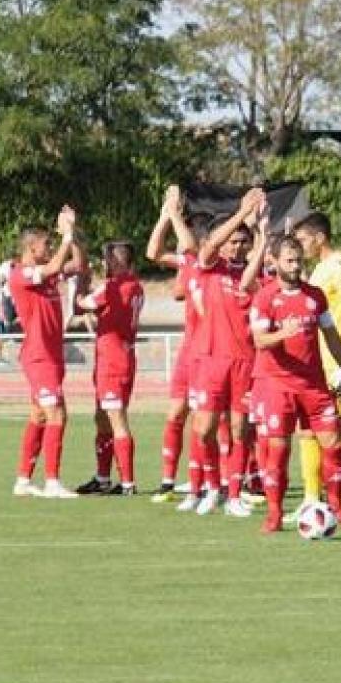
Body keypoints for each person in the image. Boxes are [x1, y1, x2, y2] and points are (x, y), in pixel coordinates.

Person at [250, 235, 341, 534]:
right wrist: (282, 334)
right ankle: (274, 513)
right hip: (277, 385)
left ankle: (338, 507)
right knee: (278, 450)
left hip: (314, 384)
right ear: (274, 261)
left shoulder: (315, 295)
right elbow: (260, 340)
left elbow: (330, 335)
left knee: (334, 442)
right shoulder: (265, 297)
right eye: (289, 260)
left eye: (298, 260)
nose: (295, 266)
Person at [182, 188, 268, 516]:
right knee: (203, 428)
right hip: (211, 359)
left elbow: (257, 280)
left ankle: (233, 495)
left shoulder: (253, 275)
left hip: (245, 361)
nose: (237, 246)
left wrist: (261, 232)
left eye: (243, 241)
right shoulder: (211, 267)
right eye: (233, 241)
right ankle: (212, 486)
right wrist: (241, 213)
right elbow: (210, 246)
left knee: (239, 430)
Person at [9, 205, 87, 499]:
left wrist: (72, 234)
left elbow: (78, 264)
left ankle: (23, 480)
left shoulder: (48, 274)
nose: (50, 247)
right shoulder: (22, 274)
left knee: (40, 416)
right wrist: (65, 236)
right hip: (39, 356)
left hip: (52, 356)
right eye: (46, 244)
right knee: (57, 415)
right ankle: (52, 482)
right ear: (31, 248)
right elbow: (54, 267)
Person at [292, 213, 341, 514]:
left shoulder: (340, 267)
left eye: (303, 239)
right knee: (307, 429)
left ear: (320, 238)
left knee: (340, 428)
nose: (300, 245)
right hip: (314, 362)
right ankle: (312, 499)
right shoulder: (320, 268)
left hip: (333, 362)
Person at [74, 241, 146, 496]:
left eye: (107, 260)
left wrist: (81, 280)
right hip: (118, 358)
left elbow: (79, 306)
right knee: (102, 418)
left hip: (113, 362)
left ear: (115, 262)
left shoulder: (114, 287)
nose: (105, 265)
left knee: (116, 420)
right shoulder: (136, 286)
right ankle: (103, 477)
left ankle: (127, 483)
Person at [144, 185, 200, 501]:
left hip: (210, 350)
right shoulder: (186, 261)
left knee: (208, 417)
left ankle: (208, 479)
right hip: (188, 349)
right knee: (176, 412)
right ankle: (168, 480)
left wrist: (175, 215)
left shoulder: (204, 258)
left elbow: (189, 244)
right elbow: (152, 252)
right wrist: (165, 215)